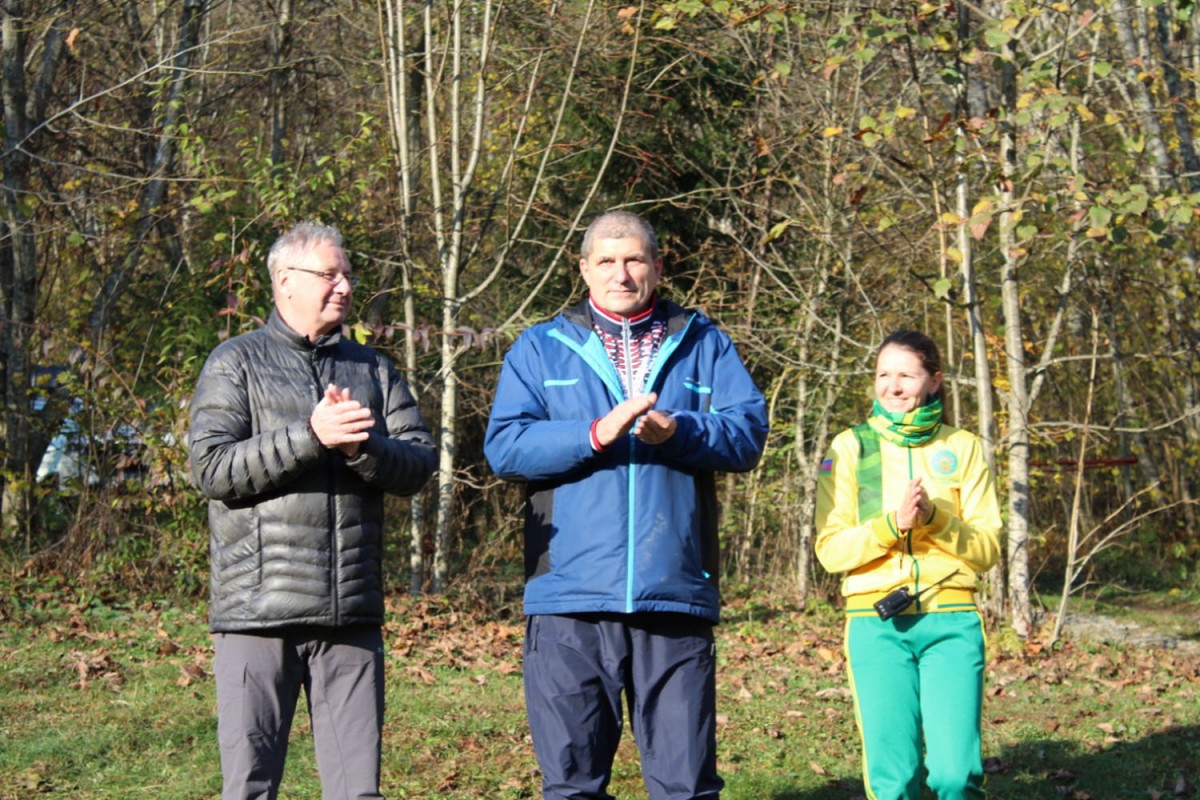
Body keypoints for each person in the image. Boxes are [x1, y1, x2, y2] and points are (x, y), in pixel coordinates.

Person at [484, 210, 769, 800]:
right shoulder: (539, 347)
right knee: (572, 787)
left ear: (658, 267)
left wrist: (681, 431)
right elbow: (506, 446)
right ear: (584, 269)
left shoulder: (705, 342)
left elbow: (746, 434)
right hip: (569, 596)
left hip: (674, 592)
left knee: (686, 787)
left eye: (635, 259)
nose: (621, 273)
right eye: (607, 261)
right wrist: (594, 433)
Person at [188, 221, 437, 800]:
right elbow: (213, 469)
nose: (344, 286)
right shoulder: (234, 362)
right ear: (285, 281)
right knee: (249, 788)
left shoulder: (373, 369)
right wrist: (311, 436)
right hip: (256, 616)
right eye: (329, 274)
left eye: (347, 275)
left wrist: (361, 449)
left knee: (358, 793)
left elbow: (419, 464)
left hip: (350, 616)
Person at [814, 329, 1002, 800]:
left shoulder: (964, 447)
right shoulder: (848, 448)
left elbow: (986, 550)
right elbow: (831, 550)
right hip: (876, 625)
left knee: (955, 776)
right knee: (894, 782)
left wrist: (935, 520)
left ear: (934, 381)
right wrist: (891, 525)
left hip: (952, 622)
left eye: (906, 375)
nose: (892, 387)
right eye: (883, 375)